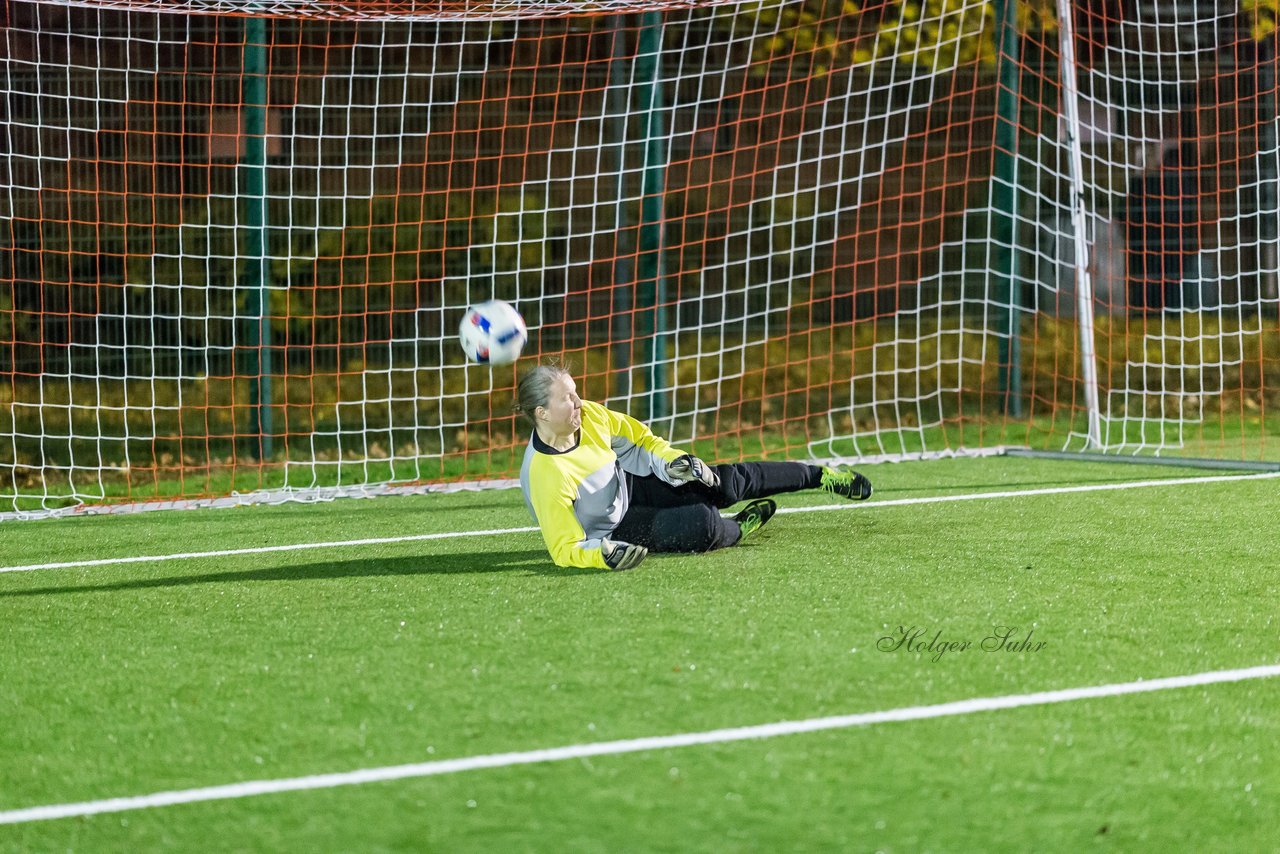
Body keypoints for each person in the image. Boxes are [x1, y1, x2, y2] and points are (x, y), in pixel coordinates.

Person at [513, 362, 873, 571]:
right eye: (567, 398)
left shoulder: (591, 415)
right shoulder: (546, 475)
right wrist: (603, 557)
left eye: (576, 392)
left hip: (630, 482)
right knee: (701, 526)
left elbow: (641, 441)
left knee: (725, 484)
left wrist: (673, 463)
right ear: (541, 413)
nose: (579, 402)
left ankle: (820, 475)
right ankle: (736, 530)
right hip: (614, 526)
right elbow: (564, 549)